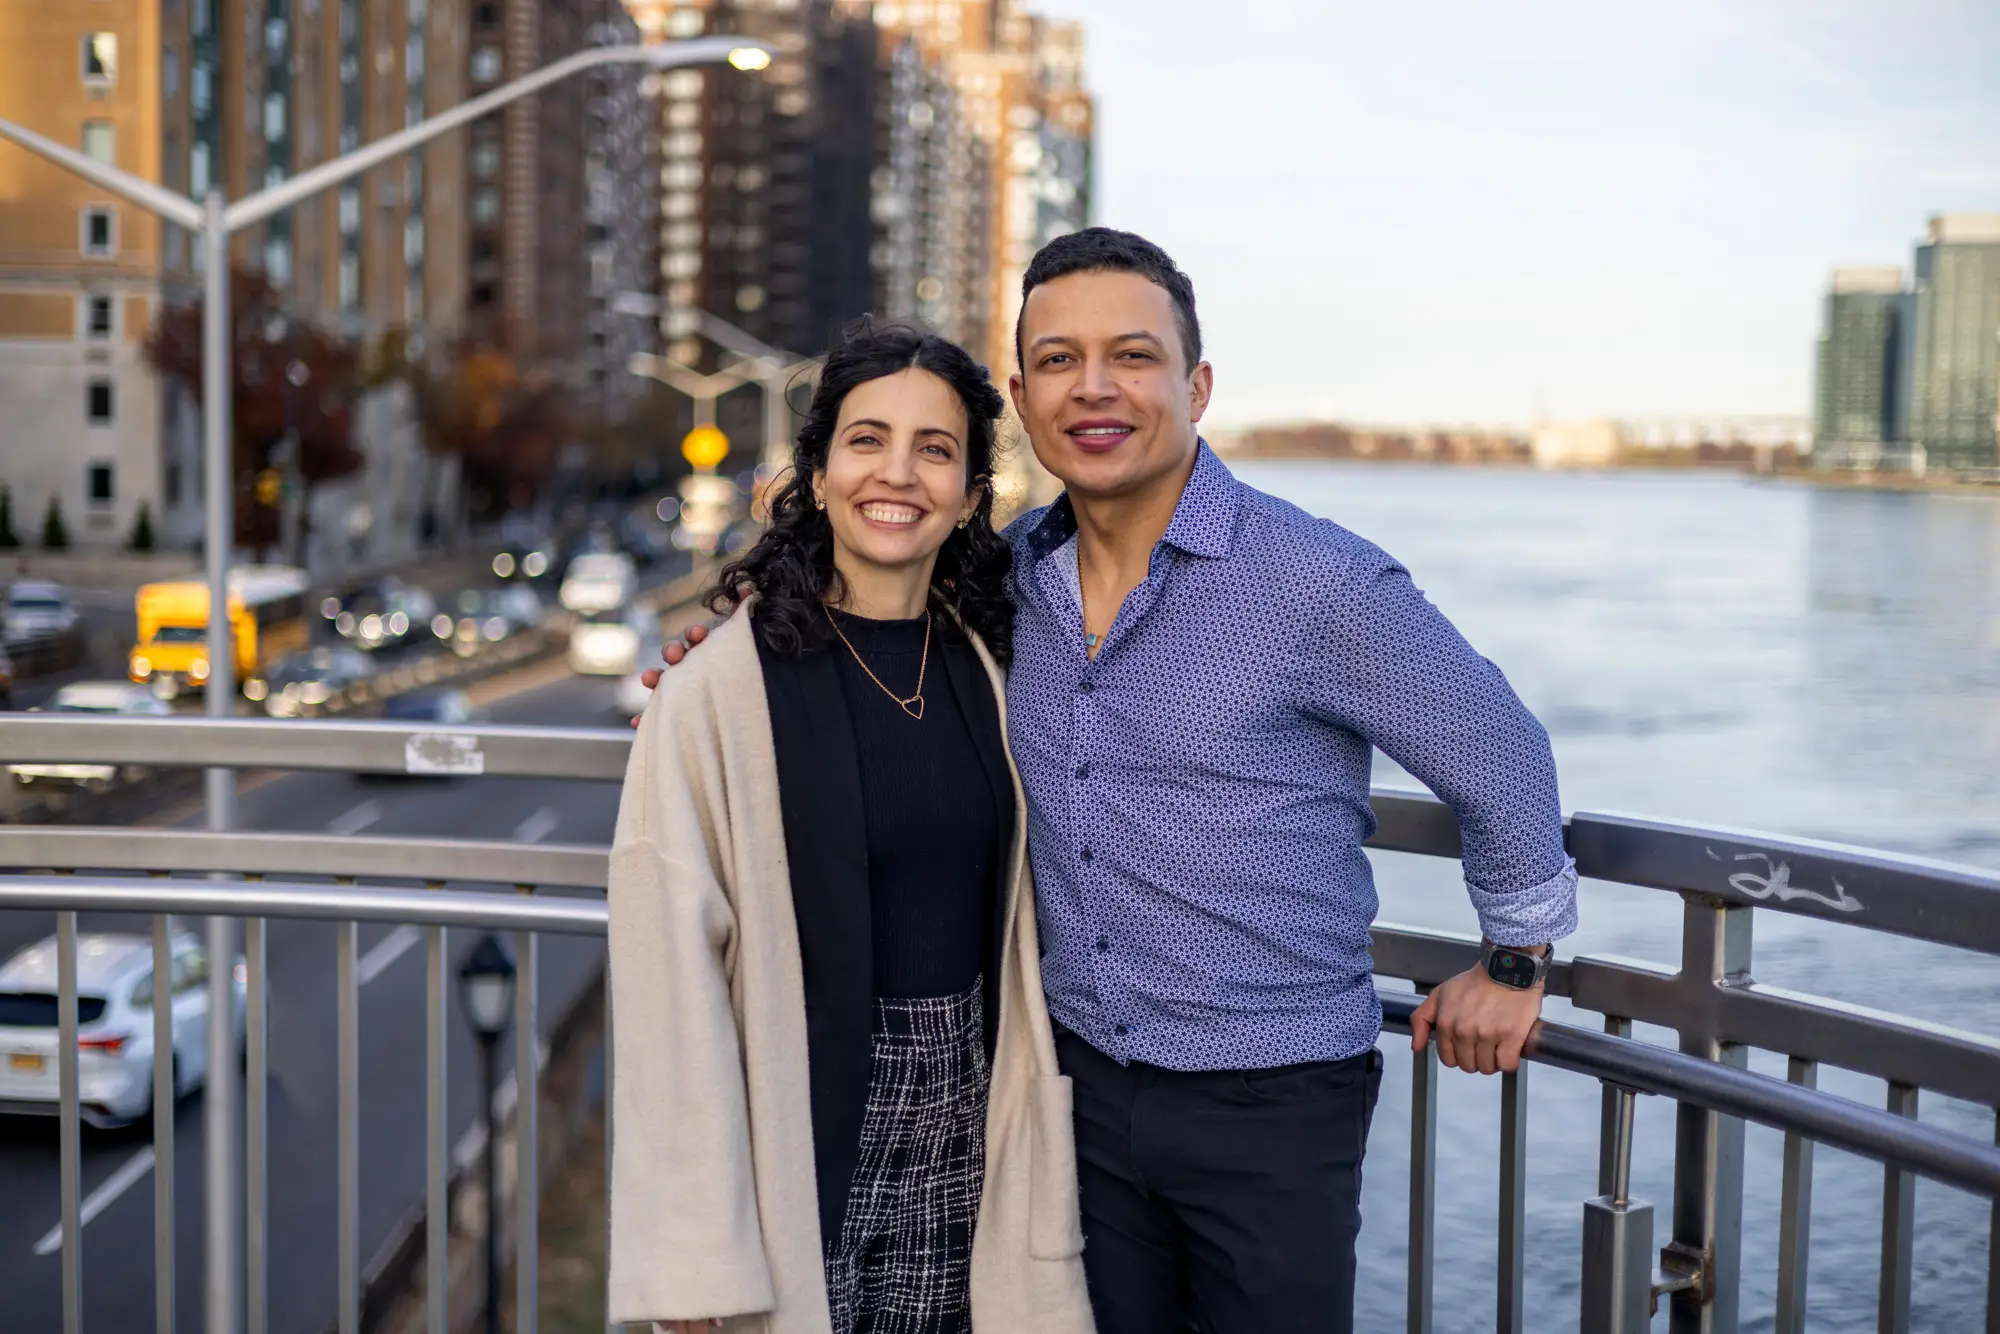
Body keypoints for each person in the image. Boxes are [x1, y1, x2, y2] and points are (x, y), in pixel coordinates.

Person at [651, 229, 1578, 1334]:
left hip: (1268, 1100)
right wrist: (727, 657)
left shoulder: (1319, 585)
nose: (1093, 387)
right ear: (1021, 399)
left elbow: (1501, 751)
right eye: (1056, 360)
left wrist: (1512, 961)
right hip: (1069, 1094)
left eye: (1131, 356)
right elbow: (863, 596)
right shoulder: (1003, 579)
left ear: (1195, 386)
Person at [607, 320, 1094, 1334]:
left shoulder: (990, 665)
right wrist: (693, 1259)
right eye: (867, 439)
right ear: (817, 474)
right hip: (800, 1121)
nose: (898, 473)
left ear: (968, 496)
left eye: (935, 448)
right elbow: (667, 978)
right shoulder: (719, 691)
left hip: (969, 1126)